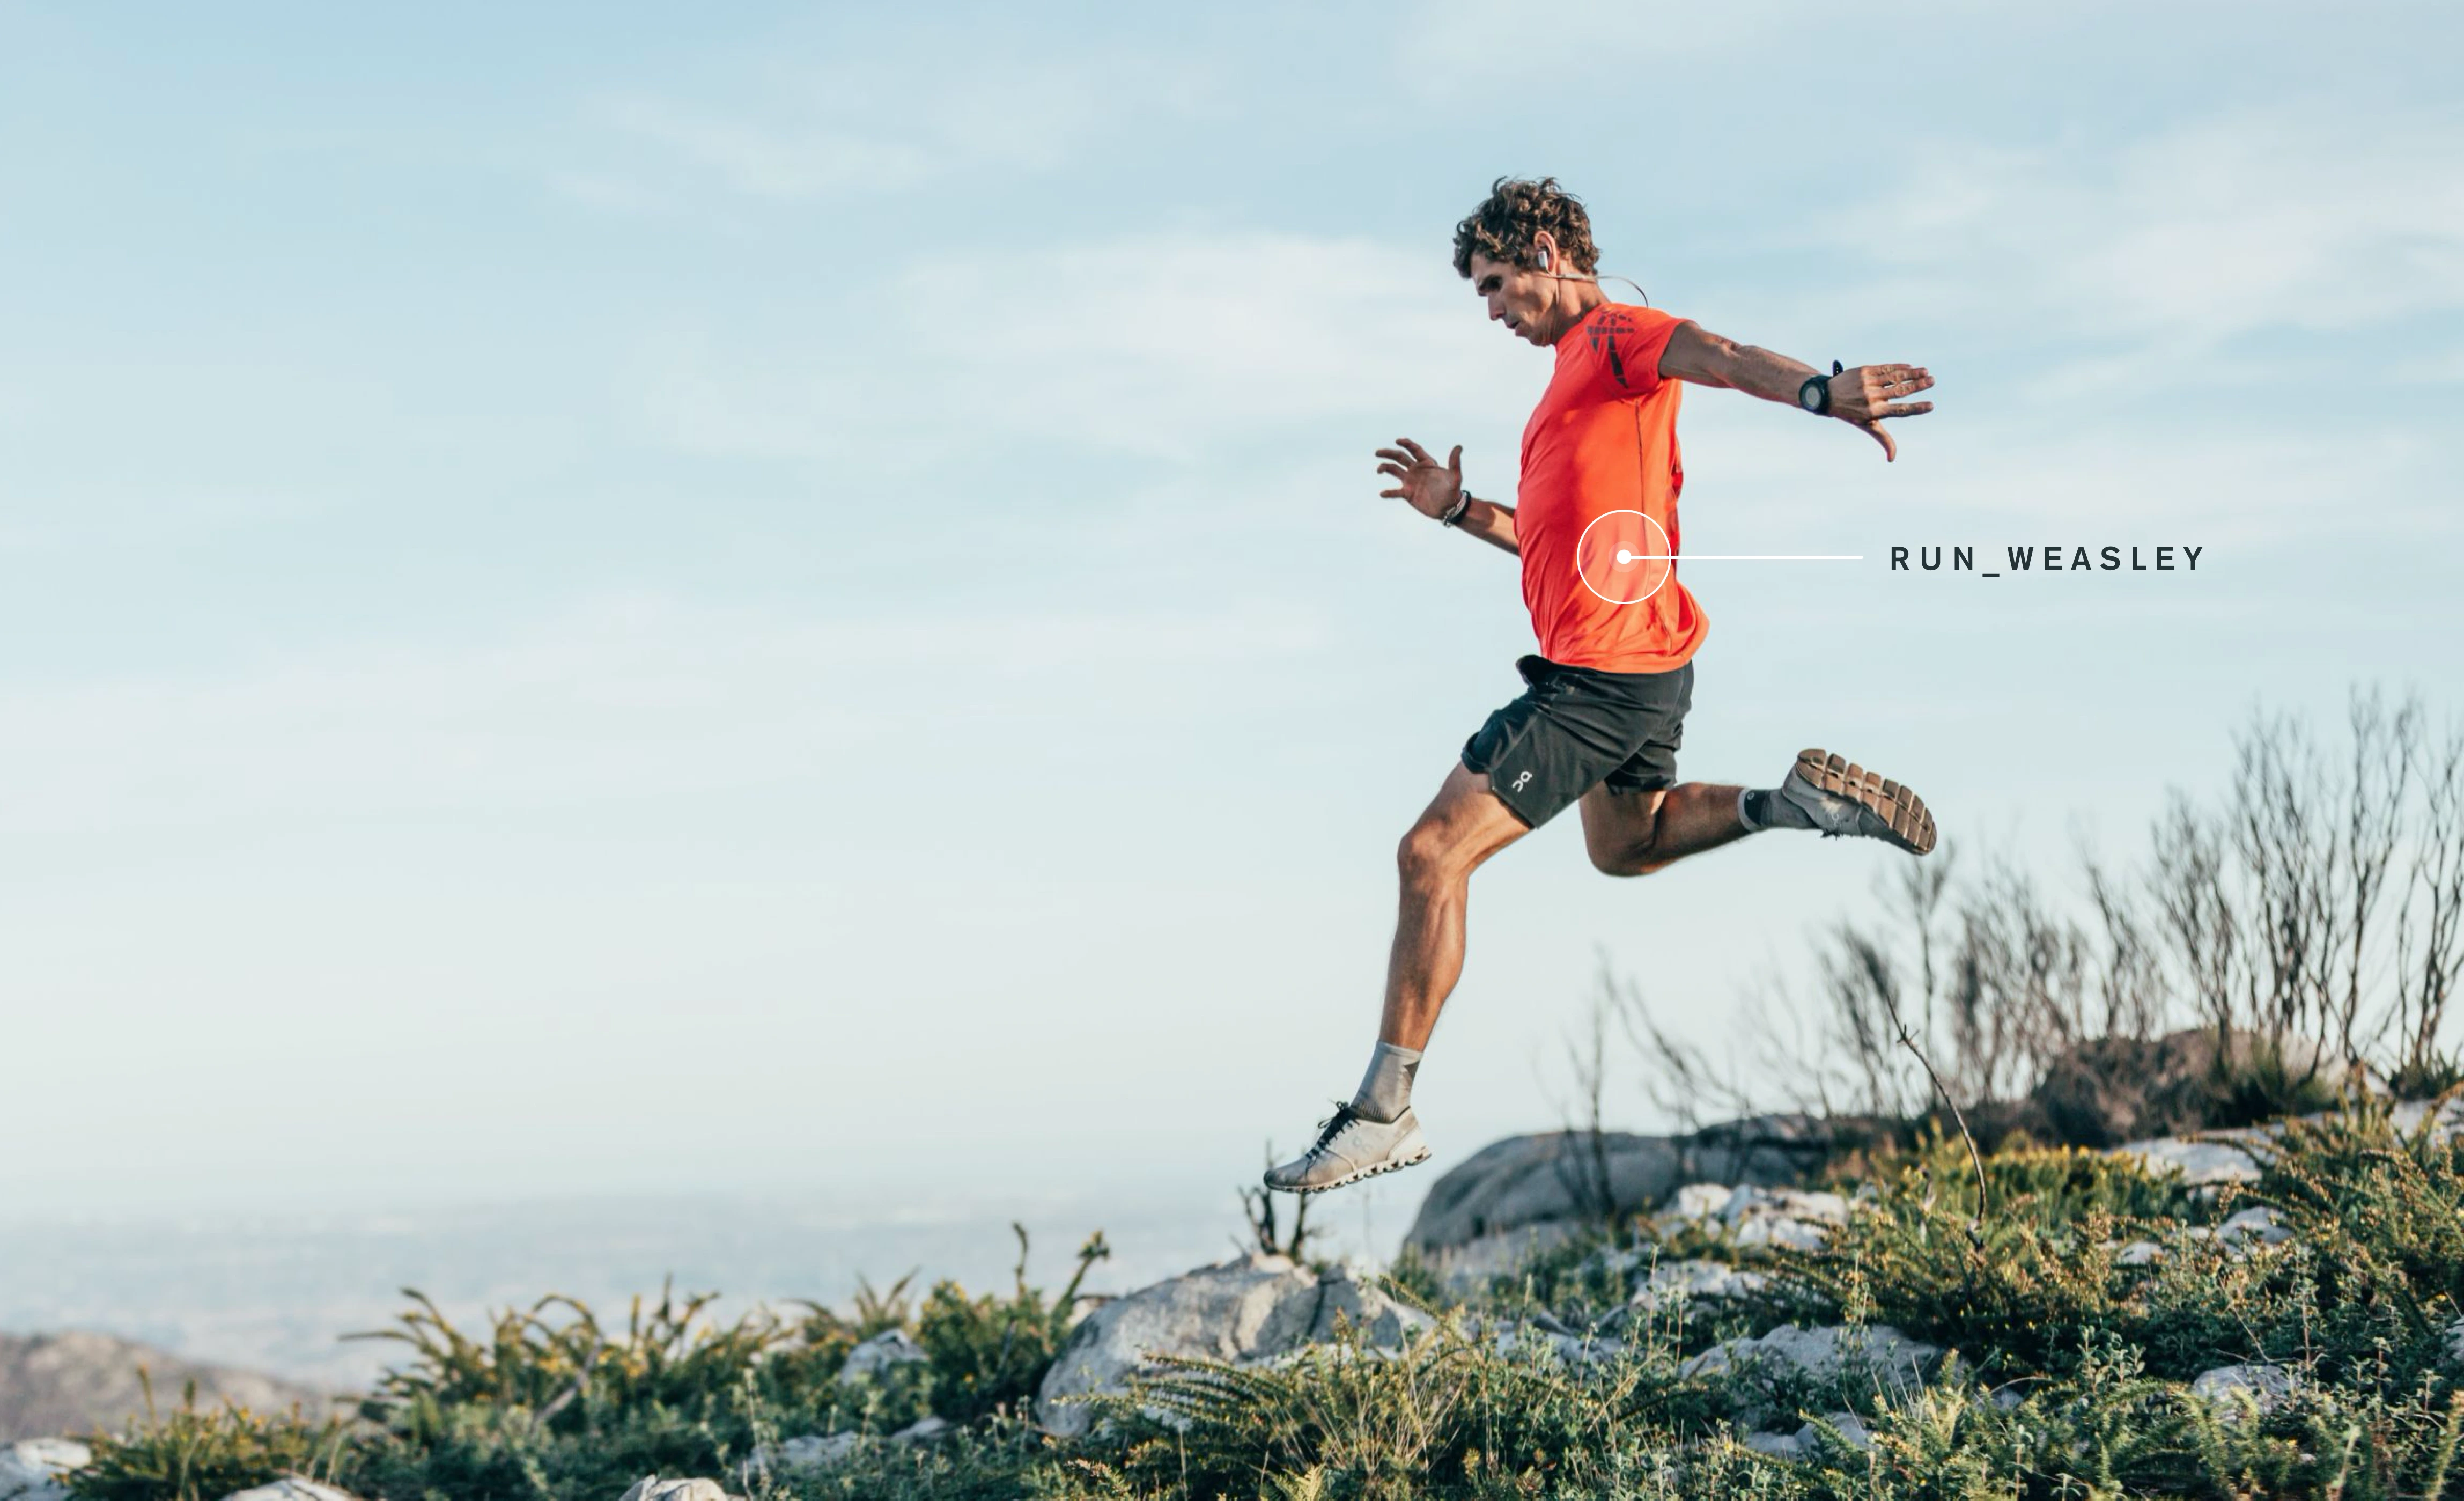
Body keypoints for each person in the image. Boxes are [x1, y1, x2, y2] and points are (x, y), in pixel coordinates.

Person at [1263, 177, 1939, 1196]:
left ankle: (1381, 1109)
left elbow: (1717, 354)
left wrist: (1819, 390)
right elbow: (1541, 541)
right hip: (1649, 669)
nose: (1492, 311)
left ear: (1544, 249)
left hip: (1596, 677)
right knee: (1627, 847)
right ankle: (1792, 803)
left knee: (1428, 854)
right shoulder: (1565, 390)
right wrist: (1456, 510)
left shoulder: (1616, 337)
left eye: (1496, 285)